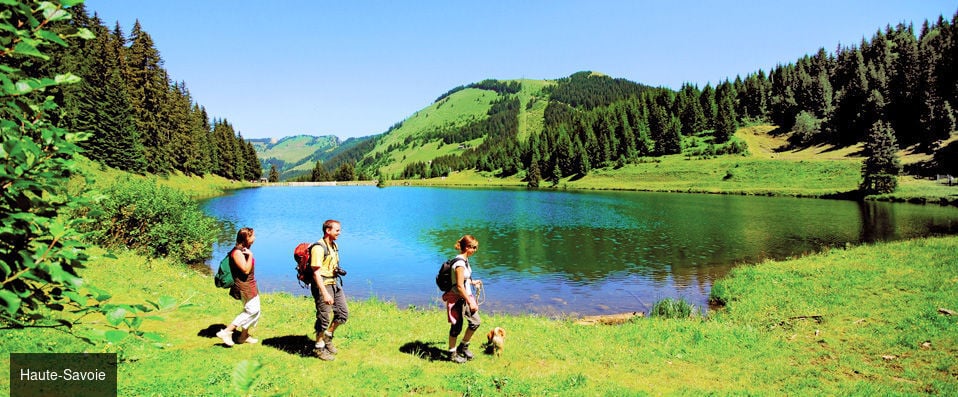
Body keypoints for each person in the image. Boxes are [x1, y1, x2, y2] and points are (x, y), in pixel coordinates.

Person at [310, 219, 349, 361]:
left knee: (343, 313)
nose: (340, 232)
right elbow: (316, 273)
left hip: (334, 283)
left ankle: (327, 336)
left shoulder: (334, 245)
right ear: (328, 230)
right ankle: (318, 347)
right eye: (337, 230)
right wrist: (325, 293)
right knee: (324, 318)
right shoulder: (318, 248)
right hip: (323, 285)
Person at [442, 235, 482, 363]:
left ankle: (463, 347)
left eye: (476, 247)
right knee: (456, 327)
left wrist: (472, 282)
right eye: (474, 247)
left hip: (466, 296)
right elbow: (459, 286)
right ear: (467, 247)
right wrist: (470, 302)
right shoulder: (459, 263)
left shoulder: (465, 260)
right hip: (458, 299)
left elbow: (464, 280)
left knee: (475, 322)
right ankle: (452, 354)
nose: (475, 250)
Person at [216, 227, 260, 347]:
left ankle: (243, 336)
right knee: (252, 310)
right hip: (244, 286)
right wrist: (250, 255)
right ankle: (228, 331)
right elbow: (245, 270)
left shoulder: (243, 250)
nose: (255, 238)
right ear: (246, 238)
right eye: (253, 236)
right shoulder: (237, 252)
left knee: (254, 311)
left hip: (250, 284)